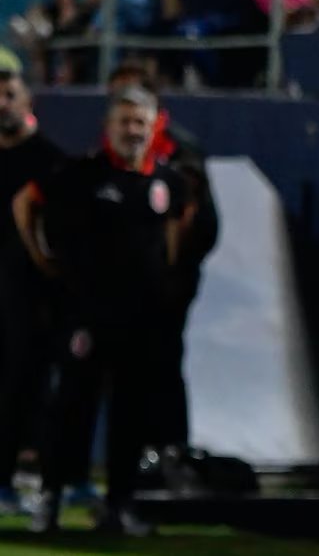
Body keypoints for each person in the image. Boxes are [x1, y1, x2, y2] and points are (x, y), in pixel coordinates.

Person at [13, 86, 193, 535]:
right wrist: (41, 256)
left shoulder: (167, 181)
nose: (132, 130)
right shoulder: (82, 173)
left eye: (140, 122)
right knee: (72, 408)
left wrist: (163, 280)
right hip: (88, 316)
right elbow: (25, 201)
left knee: (132, 415)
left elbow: (177, 227)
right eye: (124, 122)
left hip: (142, 320)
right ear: (108, 127)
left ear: (155, 127)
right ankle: (49, 499)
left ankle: (119, 506)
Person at [107, 63, 219, 456]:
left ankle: (170, 448)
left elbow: (194, 218)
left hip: (166, 280)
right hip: (127, 279)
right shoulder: (112, 149)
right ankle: (137, 450)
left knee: (163, 357)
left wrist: (170, 270)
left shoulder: (177, 149)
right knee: (129, 364)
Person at [0, 49, 64, 514]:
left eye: (9, 93)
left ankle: (18, 480)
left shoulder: (52, 162)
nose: (2, 102)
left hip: (30, 299)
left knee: (24, 387)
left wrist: (42, 263)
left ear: (28, 100)